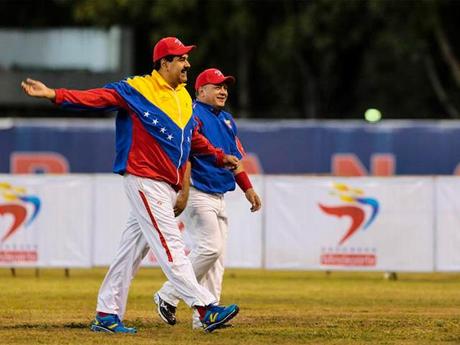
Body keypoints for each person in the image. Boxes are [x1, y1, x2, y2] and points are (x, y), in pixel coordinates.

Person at [21, 38, 241, 334]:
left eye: (187, 58)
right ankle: (205, 308)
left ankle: (106, 314)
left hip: (166, 183)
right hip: (143, 177)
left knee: (130, 251)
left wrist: (217, 155)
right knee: (170, 243)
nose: (187, 64)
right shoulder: (137, 89)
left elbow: (190, 138)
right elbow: (94, 98)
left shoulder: (183, 97)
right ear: (164, 63)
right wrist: (53, 94)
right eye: (181, 58)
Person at [153, 68, 262, 329]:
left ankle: (203, 320)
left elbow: (234, 158)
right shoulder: (190, 113)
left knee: (217, 260)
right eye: (217, 86)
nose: (223, 90)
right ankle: (167, 295)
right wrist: (184, 190)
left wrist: (248, 189)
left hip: (219, 194)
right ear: (201, 91)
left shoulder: (226, 120)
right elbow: (186, 152)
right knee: (210, 249)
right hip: (198, 191)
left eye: (225, 86)